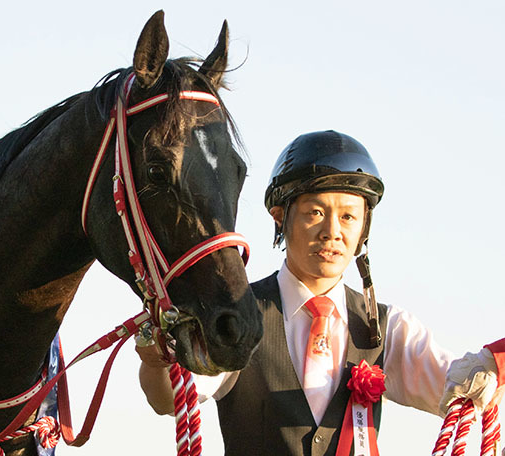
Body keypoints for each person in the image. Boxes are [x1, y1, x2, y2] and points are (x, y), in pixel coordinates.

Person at [136, 130, 505, 455]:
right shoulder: (236, 316)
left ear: (364, 228)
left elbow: (463, 384)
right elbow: (168, 398)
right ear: (280, 217)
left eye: (348, 217)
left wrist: (493, 363)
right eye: (315, 213)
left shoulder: (389, 327)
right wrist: (156, 361)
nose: (332, 232)